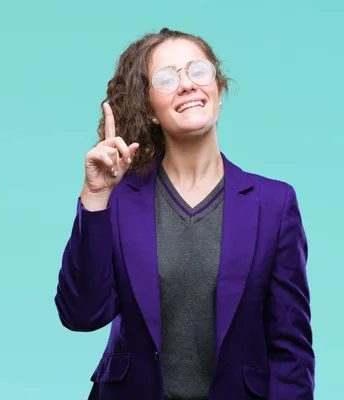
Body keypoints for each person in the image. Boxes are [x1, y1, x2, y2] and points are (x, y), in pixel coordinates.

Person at [53, 28, 315, 400]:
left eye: (198, 70)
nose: (187, 85)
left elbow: (291, 349)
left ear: (219, 91)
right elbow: (81, 314)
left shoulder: (274, 203)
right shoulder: (120, 198)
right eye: (166, 78)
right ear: (151, 111)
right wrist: (96, 196)